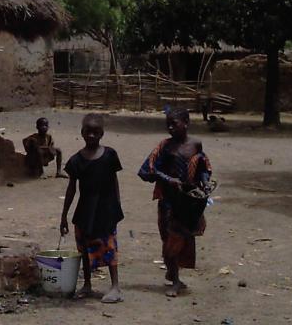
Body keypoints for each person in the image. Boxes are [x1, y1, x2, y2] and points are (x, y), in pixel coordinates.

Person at [138, 107, 213, 297]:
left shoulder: (195, 145)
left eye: (174, 124)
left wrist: (204, 182)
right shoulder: (165, 147)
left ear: (186, 124)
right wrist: (168, 179)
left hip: (189, 201)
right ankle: (174, 276)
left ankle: (175, 277)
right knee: (169, 239)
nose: (170, 128)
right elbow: (148, 170)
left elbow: (202, 166)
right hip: (168, 200)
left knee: (180, 237)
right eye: (168, 124)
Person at [60, 113, 124, 303]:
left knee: (109, 246)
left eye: (96, 132)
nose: (92, 136)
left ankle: (115, 287)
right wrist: (64, 216)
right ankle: (87, 284)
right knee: (84, 247)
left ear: (102, 133)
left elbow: (114, 181)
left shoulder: (110, 155)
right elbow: (71, 189)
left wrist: (117, 206)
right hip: (85, 210)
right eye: (88, 132)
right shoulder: (76, 161)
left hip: (105, 208)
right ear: (82, 132)